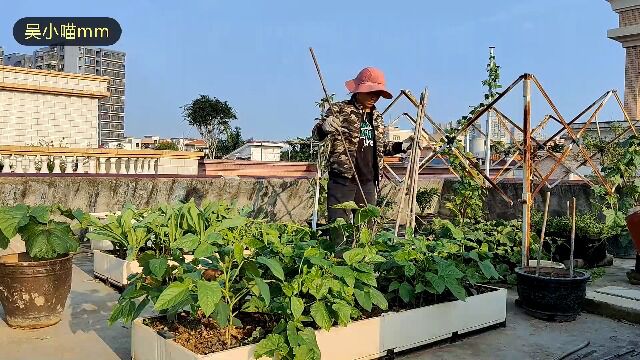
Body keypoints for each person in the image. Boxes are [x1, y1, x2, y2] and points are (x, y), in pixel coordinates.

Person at [312, 67, 423, 245]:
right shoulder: (340, 110)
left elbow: (381, 147)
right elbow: (317, 134)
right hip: (343, 179)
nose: (374, 97)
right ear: (358, 90)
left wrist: (403, 146)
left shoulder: (377, 117)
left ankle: (362, 265)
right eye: (371, 92)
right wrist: (324, 127)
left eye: (378, 93)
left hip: (368, 181)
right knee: (338, 230)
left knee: (365, 231)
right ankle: (337, 266)